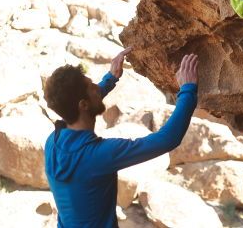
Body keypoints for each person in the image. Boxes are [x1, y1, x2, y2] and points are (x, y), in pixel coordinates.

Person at [44, 48, 199, 228]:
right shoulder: (98, 155)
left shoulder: (53, 142)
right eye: (91, 86)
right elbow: (167, 139)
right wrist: (187, 89)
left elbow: (81, 104)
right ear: (83, 105)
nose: (97, 87)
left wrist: (110, 78)